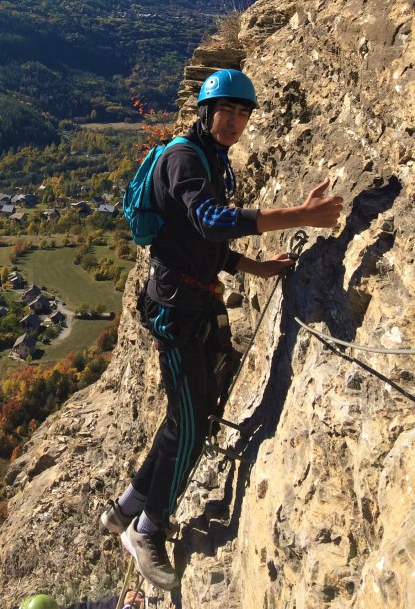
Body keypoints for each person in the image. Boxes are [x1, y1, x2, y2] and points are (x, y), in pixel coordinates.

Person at [101, 69, 343, 590]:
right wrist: (302, 214)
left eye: (243, 114)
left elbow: (199, 242)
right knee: (192, 424)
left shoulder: (212, 158)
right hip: (176, 310)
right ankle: (147, 531)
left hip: (189, 299)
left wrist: (253, 269)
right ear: (206, 113)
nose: (234, 123)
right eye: (226, 112)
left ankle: (127, 507)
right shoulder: (185, 159)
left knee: (183, 417)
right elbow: (210, 221)